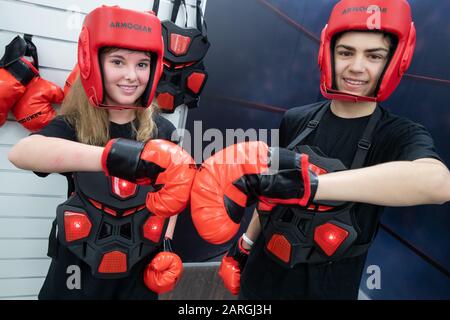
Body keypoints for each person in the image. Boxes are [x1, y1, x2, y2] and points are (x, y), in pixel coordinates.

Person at [190, 0, 450, 299]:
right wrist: (245, 245)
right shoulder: (297, 118)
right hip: (261, 279)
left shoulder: (396, 134)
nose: (356, 66)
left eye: (373, 56)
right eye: (346, 52)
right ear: (328, 53)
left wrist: (313, 186)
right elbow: (271, 196)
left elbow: (439, 183)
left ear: (394, 61)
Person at [8, 6, 196, 300]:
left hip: (138, 267)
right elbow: (22, 153)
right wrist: (112, 158)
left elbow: (175, 192)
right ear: (93, 62)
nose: (131, 76)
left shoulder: (162, 130)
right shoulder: (75, 124)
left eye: (142, 64)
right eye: (118, 62)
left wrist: (167, 243)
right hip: (77, 267)